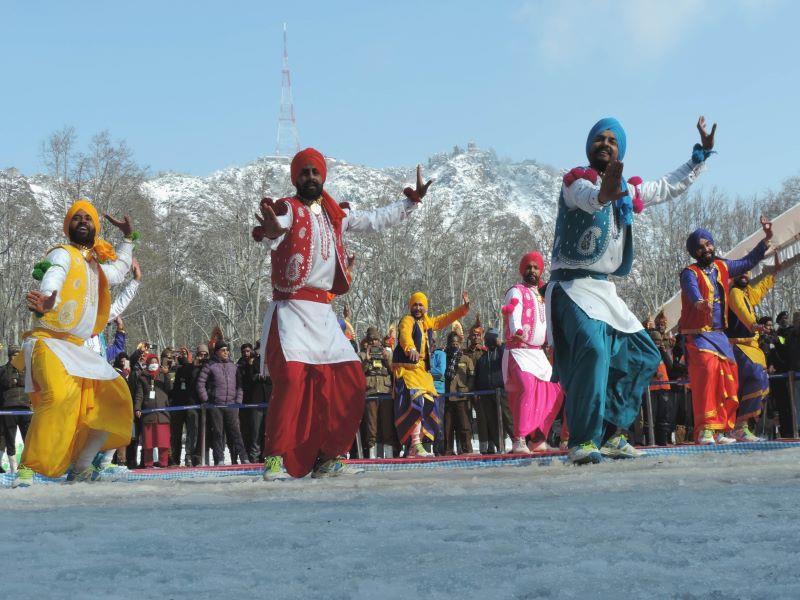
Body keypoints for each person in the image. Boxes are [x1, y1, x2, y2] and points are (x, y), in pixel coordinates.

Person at [252, 147, 433, 479]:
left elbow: (375, 220)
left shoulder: (335, 214)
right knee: (291, 382)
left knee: (351, 380)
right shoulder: (288, 209)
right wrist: (272, 229)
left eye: (315, 172)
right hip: (292, 309)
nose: (310, 178)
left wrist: (411, 202)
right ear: (296, 178)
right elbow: (276, 228)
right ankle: (275, 458)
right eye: (304, 173)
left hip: (323, 312)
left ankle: (329, 455)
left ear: (323, 177)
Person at [547, 116, 716, 464]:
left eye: (612, 140)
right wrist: (604, 192)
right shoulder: (577, 181)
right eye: (599, 139)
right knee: (593, 351)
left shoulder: (629, 191)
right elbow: (591, 198)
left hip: (604, 292)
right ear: (589, 145)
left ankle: (611, 434)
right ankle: (583, 440)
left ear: (620, 150)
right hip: (572, 287)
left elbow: (668, 185)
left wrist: (701, 155)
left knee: (643, 354)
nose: (605, 144)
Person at [14, 200, 134, 485]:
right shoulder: (63, 253)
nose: (83, 221)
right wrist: (48, 295)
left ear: (95, 226)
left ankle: (81, 467)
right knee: (58, 398)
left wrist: (129, 239)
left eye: (88, 218)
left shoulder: (94, 265)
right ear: (68, 226)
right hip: (50, 341)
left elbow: (118, 272)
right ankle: (28, 469)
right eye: (77, 218)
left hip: (78, 348)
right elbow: (55, 272)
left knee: (114, 400)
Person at [679, 219, 772, 444]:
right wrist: (699, 302)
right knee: (708, 376)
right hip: (698, 334)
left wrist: (766, 239)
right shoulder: (689, 272)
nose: (706, 249)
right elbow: (691, 290)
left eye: (709, 244)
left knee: (728, 381)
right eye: (701, 247)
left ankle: (723, 429)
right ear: (694, 252)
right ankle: (705, 431)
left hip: (719, 335)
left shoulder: (722, 267)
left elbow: (747, 261)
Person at [393, 292, 470, 457]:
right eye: (415, 305)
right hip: (408, 370)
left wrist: (462, 309)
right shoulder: (408, 320)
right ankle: (415, 444)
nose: (418, 308)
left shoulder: (426, 322)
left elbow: (444, 319)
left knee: (429, 405)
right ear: (410, 306)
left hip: (423, 372)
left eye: (421, 305)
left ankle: (415, 445)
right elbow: (405, 336)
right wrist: (410, 348)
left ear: (425, 307)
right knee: (417, 403)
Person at [501, 252, 562, 454]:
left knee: (555, 389)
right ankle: (519, 439)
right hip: (518, 351)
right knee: (526, 388)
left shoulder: (543, 295)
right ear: (522, 270)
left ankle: (537, 437)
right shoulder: (516, 290)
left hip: (537, 353)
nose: (532, 271)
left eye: (536, 267)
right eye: (529, 267)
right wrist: (517, 329)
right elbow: (513, 312)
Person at [726, 256, 781, 441]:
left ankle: (740, 427)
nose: (744, 274)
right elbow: (741, 310)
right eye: (740, 271)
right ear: (733, 275)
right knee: (755, 378)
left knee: (760, 381)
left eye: (746, 271)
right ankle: (738, 427)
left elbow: (761, 289)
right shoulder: (734, 293)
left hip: (751, 349)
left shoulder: (747, 293)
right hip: (738, 346)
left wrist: (774, 273)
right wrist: (753, 324)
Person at [196, 340, 249, 465]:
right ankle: (219, 459)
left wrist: (238, 401)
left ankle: (244, 458)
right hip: (216, 405)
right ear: (217, 352)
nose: (226, 352)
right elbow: (200, 383)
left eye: (227, 350)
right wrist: (206, 399)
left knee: (236, 433)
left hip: (232, 405)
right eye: (223, 350)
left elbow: (240, 385)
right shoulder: (210, 365)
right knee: (218, 433)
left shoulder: (233, 366)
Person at [357, 327, 395, 459]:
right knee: (371, 427)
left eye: (376, 339)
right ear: (367, 341)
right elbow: (358, 375)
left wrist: (386, 359)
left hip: (385, 393)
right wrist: (367, 360)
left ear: (380, 340)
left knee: (387, 425)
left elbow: (394, 372)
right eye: (371, 340)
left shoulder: (388, 353)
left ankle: (389, 456)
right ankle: (372, 455)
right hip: (370, 393)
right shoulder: (361, 355)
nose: (374, 342)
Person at [475, 328, 514, 453]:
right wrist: (477, 391)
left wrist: (500, 344)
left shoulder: (501, 353)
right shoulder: (483, 358)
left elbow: (507, 358)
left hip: (501, 391)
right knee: (493, 422)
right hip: (486, 393)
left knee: (507, 419)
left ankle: (517, 442)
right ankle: (500, 446)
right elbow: (478, 376)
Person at [134, 354, 172, 468]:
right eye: (152, 362)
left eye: (156, 362)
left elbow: (170, 388)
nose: (154, 364)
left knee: (163, 442)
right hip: (148, 415)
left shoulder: (163, 375)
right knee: (148, 443)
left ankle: (163, 463)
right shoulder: (143, 377)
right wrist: (137, 408)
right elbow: (139, 395)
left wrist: (166, 375)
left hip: (162, 414)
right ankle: (148, 464)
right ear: (148, 363)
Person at [443, 331, 475, 455]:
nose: (455, 345)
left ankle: (467, 450)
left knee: (464, 425)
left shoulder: (466, 358)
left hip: (461, 397)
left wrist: (467, 390)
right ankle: (448, 451)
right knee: (448, 427)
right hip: (447, 397)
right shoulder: (444, 357)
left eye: (457, 343)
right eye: (452, 343)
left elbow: (471, 376)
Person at [238, 343, 270, 464]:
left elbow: (272, 378)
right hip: (254, 402)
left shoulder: (267, 361)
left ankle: (265, 455)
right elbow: (250, 378)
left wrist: (263, 378)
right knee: (255, 432)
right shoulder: (247, 363)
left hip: (268, 401)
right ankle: (254, 457)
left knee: (266, 431)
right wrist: (251, 365)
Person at [0, 346, 28, 474]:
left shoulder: (27, 369)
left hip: (26, 408)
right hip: (8, 409)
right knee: (9, 439)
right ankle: (13, 468)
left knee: (27, 438)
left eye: (18, 355)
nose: (15, 357)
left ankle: (27, 466)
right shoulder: (3, 370)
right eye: (13, 355)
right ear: (9, 356)